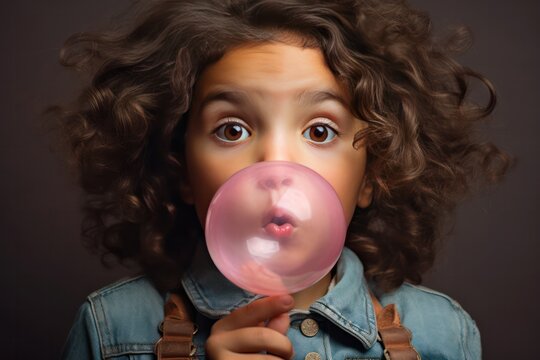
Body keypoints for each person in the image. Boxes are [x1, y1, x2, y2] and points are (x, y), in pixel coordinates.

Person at [54, 0, 509, 359]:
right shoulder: (112, 329)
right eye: (232, 130)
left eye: (319, 131)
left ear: (373, 173)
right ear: (182, 169)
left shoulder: (443, 333)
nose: (275, 166)